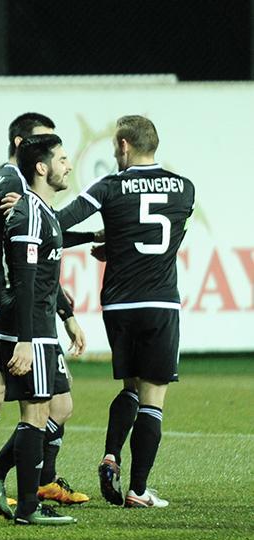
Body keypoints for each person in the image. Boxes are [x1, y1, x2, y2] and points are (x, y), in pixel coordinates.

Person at [56, 115, 195, 508]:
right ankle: (138, 490)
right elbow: (167, 238)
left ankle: (110, 455)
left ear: (123, 145)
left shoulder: (109, 186)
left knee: (130, 388)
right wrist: (122, 244)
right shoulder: (184, 188)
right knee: (153, 398)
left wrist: (109, 245)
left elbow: (57, 223)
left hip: (118, 304)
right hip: (159, 302)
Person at [0, 113, 90, 508]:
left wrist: (66, 315)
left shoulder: (34, 206)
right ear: (40, 165)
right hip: (25, 323)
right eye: (61, 157)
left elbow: (48, 259)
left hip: (34, 320)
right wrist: (26, 339)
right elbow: (24, 277)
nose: (68, 164)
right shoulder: (25, 206)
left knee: (56, 406)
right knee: (31, 410)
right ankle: (24, 501)